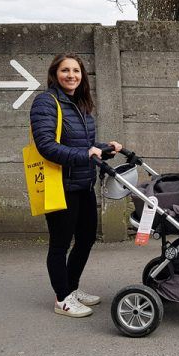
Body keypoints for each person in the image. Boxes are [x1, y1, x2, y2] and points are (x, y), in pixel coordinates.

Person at [30, 53, 123, 317]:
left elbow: (83, 146)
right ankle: (62, 298)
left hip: (83, 183)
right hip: (60, 184)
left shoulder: (79, 104)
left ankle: (71, 287)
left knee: (86, 238)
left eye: (76, 71)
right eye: (65, 70)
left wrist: (106, 149)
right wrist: (86, 154)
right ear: (54, 74)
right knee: (60, 244)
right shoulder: (46, 102)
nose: (71, 75)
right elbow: (46, 145)